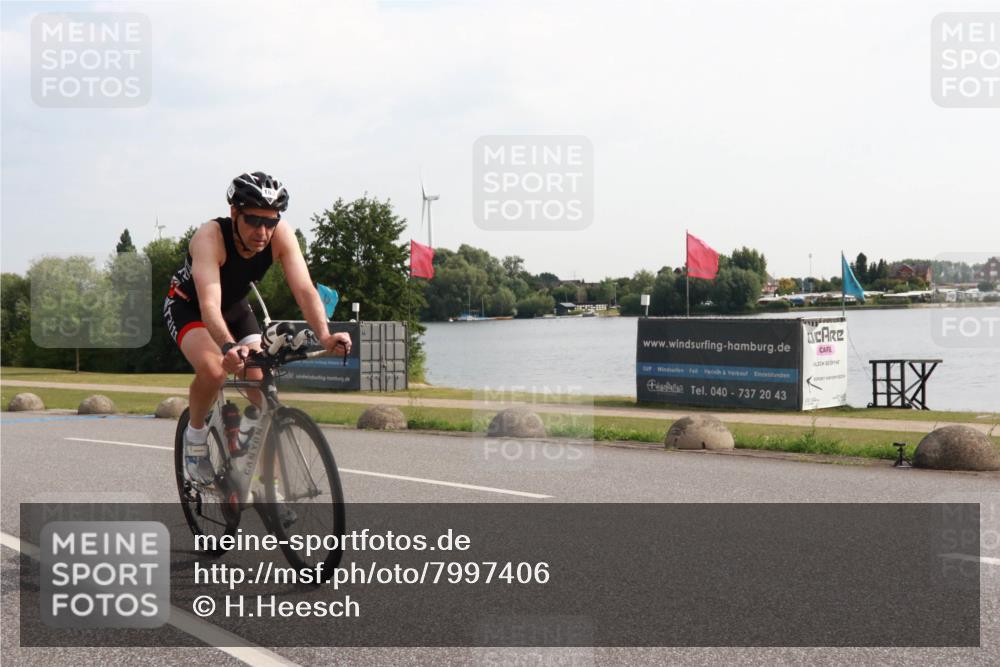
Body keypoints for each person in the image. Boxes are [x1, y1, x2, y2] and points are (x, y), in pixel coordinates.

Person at [164, 171, 350, 485]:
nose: (263, 231)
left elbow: (304, 289)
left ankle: (269, 486)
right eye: (253, 220)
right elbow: (209, 305)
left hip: (235, 306)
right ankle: (195, 441)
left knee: (261, 381)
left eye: (271, 221)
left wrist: (326, 334)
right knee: (214, 370)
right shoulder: (210, 238)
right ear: (234, 213)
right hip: (189, 306)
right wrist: (227, 346)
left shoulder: (280, 235)